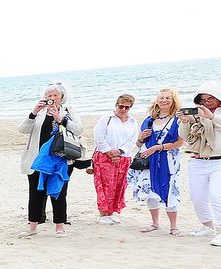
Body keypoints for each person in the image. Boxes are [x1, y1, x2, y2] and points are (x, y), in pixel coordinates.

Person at [18, 81, 83, 238]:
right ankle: (32, 226)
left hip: (61, 159)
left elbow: (79, 129)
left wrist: (60, 118)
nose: (52, 98)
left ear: (62, 97)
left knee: (59, 192)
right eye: (49, 95)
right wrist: (33, 112)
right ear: (44, 97)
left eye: (55, 95)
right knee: (35, 193)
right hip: (38, 159)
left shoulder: (68, 111)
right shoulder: (38, 113)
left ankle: (60, 227)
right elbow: (22, 129)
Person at [127, 89, 185, 236]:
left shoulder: (177, 119)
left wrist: (158, 147)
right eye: (161, 98)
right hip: (149, 159)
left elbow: (180, 142)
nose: (164, 100)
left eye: (168, 98)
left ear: (173, 101)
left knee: (169, 188)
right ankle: (155, 223)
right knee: (150, 189)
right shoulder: (150, 119)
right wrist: (141, 137)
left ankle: (173, 226)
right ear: (156, 100)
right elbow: (139, 144)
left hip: (168, 159)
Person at [179, 80, 221, 246]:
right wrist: (185, 121)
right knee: (196, 197)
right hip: (197, 160)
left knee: (217, 195)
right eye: (202, 100)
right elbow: (184, 136)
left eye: (210, 99)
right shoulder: (195, 113)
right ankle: (207, 226)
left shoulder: (216, 114)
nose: (206, 103)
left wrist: (211, 117)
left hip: (219, 160)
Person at [92, 94, 139, 224]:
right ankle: (103, 214)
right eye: (121, 106)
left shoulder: (133, 121)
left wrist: (119, 151)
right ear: (116, 105)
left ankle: (111, 212)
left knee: (119, 185)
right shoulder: (106, 118)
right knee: (105, 184)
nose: (123, 109)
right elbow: (98, 137)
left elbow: (133, 140)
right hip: (104, 156)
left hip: (123, 157)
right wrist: (110, 152)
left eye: (127, 107)